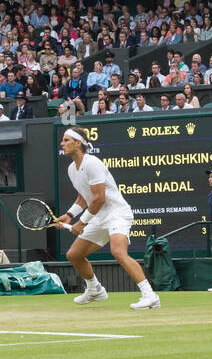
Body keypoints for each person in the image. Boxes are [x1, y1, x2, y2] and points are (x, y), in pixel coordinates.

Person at [58, 127, 159, 309]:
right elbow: (84, 197)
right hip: (98, 217)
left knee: (118, 252)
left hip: (117, 214)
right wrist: (69, 215)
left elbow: (99, 198)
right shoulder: (72, 169)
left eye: (66, 140)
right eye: (62, 140)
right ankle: (95, 289)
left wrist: (81, 223)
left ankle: (149, 295)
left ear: (78, 143)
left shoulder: (92, 163)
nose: (62, 144)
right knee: (74, 255)